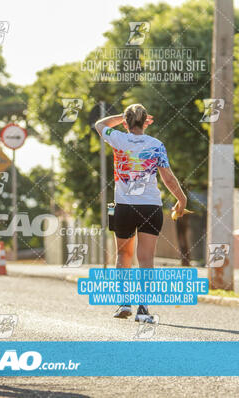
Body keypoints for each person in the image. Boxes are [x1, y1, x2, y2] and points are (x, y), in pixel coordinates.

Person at [94, 104, 187, 323]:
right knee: (146, 260)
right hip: (150, 206)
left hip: (124, 207)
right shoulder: (156, 145)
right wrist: (181, 199)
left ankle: (124, 302)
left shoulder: (118, 138)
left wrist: (123, 118)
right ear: (145, 122)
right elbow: (168, 178)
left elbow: (100, 124)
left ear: (126, 122)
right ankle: (143, 309)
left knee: (123, 255)